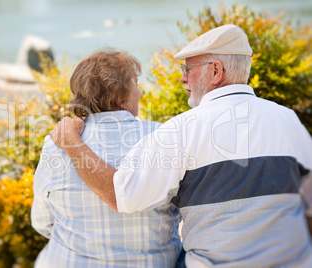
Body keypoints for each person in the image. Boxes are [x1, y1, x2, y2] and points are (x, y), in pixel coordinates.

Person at [49, 25, 312, 267]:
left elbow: (121, 195)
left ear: (216, 71)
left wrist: (71, 142)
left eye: (187, 70)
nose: (183, 80)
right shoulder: (288, 119)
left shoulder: (180, 130)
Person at [31, 48, 183, 267]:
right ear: (123, 97)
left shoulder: (57, 143)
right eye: (136, 86)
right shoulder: (164, 137)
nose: (139, 93)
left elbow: (43, 222)